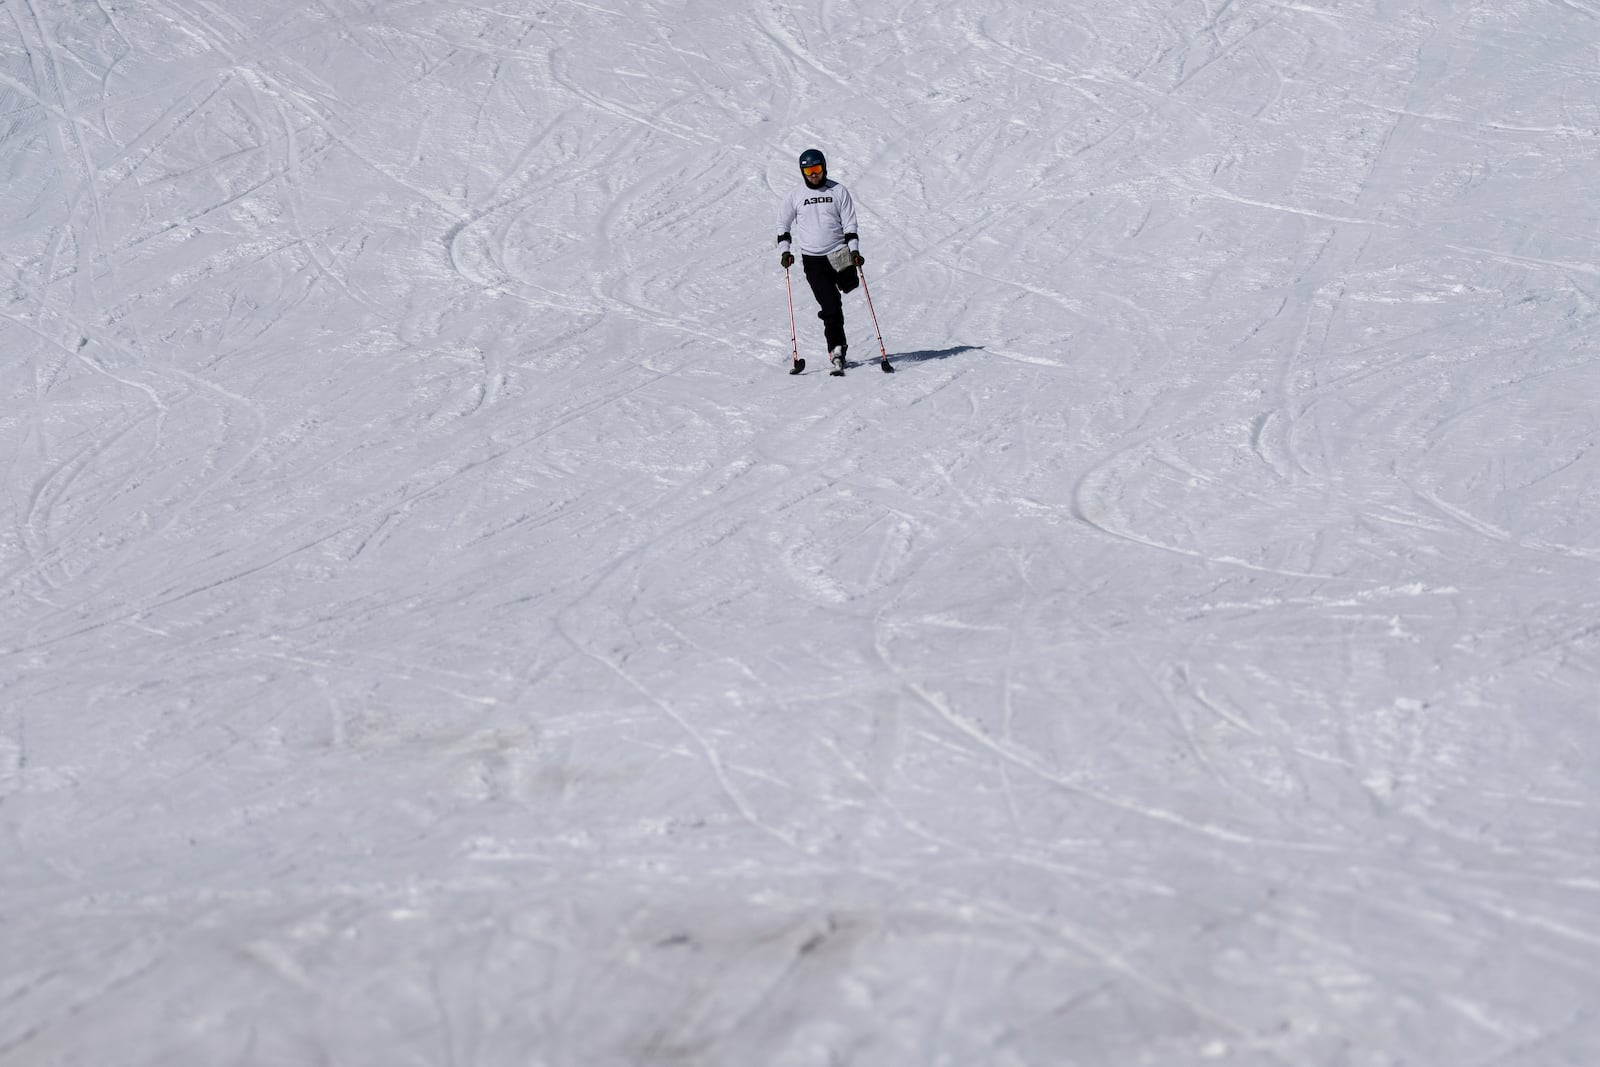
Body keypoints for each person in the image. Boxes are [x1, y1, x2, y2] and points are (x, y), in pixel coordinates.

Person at [775, 148, 865, 373]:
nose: (813, 175)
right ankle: (837, 349)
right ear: (802, 172)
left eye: (816, 169)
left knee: (850, 286)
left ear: (824, 167)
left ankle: (841, 296)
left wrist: (853, 251)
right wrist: (785, 251)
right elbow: (782, 225)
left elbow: (850, 224)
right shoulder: (796, 195)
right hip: (813, 259)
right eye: (808, 171)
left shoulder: (838, 191)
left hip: (839, 253)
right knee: (830, 304)